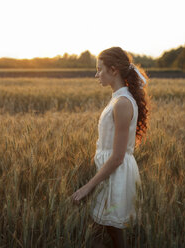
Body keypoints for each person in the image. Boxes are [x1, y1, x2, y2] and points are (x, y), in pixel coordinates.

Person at [71, 47, 150, 248]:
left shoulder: (122, 103)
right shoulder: (118, 98)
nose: (97, 75)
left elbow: (117, 156)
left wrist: (88, 186)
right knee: (109, 232)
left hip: (114, 175)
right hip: (109, 172)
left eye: (100, 69)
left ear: (113, 70)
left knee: (103, 232)